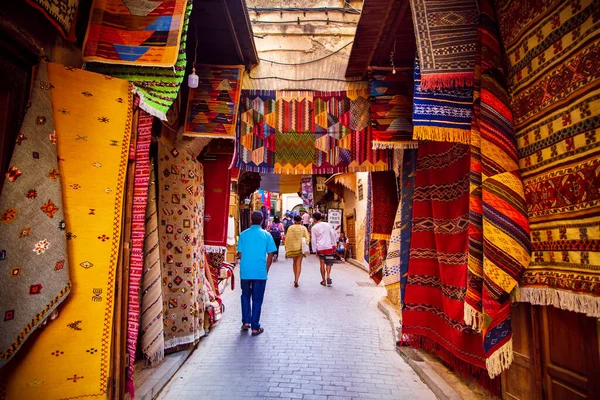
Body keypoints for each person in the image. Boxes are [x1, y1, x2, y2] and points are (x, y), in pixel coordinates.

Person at [237, 211, 277, 336]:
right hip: (260, 272)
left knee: (245, 295)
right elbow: (271, 254)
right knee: (257, 299)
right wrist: (266, 268)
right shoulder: (266, 235)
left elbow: (240, 254)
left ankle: (246, 322)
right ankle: (255, 327)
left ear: (250, 220)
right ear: (262, 221)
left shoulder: (243, 235)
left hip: (245, 271)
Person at [310, 212, 338, 287]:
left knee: (322, 263)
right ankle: (328, 275)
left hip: (320, 248)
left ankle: (323, 280)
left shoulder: (314, 228)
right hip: (328, 247)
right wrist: (334, 244)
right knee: (328, 263)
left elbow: (313, 240)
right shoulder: (327, 225)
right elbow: (332, 234)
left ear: (314, 219)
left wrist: (314, 250)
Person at [284, 215, 310, 288]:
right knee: (298, 264)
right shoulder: (303, 228)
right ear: (301, 220)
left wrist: (287, 248)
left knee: (294, 263)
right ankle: (296, 280)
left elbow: (287, 238)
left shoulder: (290, 228)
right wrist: (306, 244)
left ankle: (295, 277)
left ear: (294, 220)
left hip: (293, 249)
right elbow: (307, 238)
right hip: (300, 249)